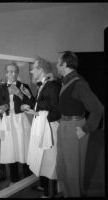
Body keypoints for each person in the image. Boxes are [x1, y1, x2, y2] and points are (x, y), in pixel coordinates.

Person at [55, 51, 104, 197]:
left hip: (74, 127)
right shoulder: (66, 81)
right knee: (62, 166)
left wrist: (85, 129)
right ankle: (67, 193)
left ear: (64, 64)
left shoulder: (79, 83)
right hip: (64, 125)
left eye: (58, 63)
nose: (56, 66)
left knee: (73, 170)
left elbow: (97, 109)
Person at [22, 57, 61, 198]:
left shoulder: (52, 86)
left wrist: (37, 113)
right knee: (42, 158)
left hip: (50, 128)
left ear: (41, 70)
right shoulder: (43, 85)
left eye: (34, 68)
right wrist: (30, 99)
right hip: (42, 126)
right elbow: (43, 106)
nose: (31, 71)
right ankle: (44, 186)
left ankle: (49, 193)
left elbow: (57, 112)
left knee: (50, 160)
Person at [0, 62, 33, 185]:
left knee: (24, 147)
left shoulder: (24, 86)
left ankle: (28, 175)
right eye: (10, 71)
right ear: (6, 73)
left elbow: (31, 102)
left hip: (21, 120)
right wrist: (2, 107)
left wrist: (19, 94)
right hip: (8, 120)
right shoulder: (1, 87)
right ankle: (14, 178)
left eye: (15, 71)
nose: (13, 74)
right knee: (11, 149)